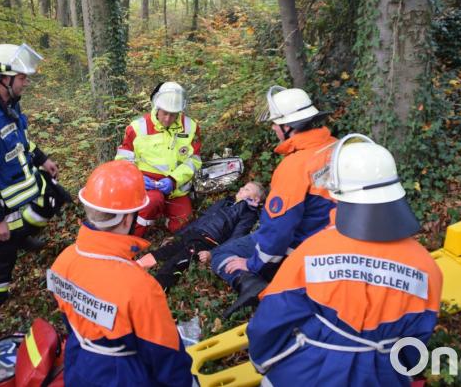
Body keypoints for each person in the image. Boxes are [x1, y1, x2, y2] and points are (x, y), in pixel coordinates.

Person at [246, 135, 443, 386]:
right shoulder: (428, 268)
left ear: (337, 194)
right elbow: (415, 343)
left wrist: (260, 360)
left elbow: (273, 317)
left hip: (304, 373)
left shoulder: (313, 252)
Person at [47, 160, 197, 387]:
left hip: (79, 367)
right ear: (128, 218)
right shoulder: (139, 287)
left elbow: (70, 320)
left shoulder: (62, 262)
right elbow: (166, 356)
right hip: (123, 378)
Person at [210, 85, 339, 318]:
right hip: (336, 241)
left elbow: (278, 232)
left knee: (222, 254)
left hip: (305, 249)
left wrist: (251, 265)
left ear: (288, 126)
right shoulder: (337, 147)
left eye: (275, 122)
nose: (272, 127)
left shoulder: (294, 167)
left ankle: (257, 289)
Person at [0, 43, 71, 311]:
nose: (26, 83)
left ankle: (21, 237)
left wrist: (42, 159)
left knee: (52, 198)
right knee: (2, 256)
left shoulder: (8, 105)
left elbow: (20, 141)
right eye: (22, 77)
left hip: (16, 191)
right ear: (3, 79)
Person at [137, 181, 266, 290]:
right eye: (243, 187)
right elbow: (201, 219)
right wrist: (178, 235)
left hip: (207, 241)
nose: (241, 189)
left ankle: (154, 290)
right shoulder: (226, 201)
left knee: (177, 262)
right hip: (192, 233)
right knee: (163, 251)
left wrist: (212, 253)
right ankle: (134, 267)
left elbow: (236, 238)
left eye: (247, 189)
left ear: (255, 199)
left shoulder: (248, 214)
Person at [115, 81, 202, 237]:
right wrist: (138, 179)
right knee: (150, 203)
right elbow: (123, 160)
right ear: (157, 107)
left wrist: (173, 180)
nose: (168, 119)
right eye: (165, 113)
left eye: (173, 114)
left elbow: (193, 160)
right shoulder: (137, 128)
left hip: (176, 188)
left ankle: (165, 221)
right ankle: (131, 240)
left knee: (184, 224)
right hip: (147, 187)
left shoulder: (191, 127)